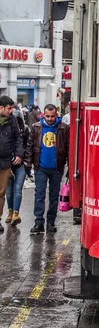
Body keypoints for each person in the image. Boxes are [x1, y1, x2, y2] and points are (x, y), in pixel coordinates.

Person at [25, 103, 69, 234]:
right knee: (39, 195)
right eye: (47, 116)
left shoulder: (64, 128)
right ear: (43, 115)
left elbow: (69, 148)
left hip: (57, 168)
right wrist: (28, 164)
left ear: (56, 115)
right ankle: (39, 222)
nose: (50, 119)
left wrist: (70, 167)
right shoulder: (36, 127)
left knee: (54, 196)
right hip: (41, 167)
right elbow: (30, 146)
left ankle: (51, 222)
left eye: (52, 116)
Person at [0, 96, 24, 232]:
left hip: (5, 162)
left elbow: (18, 139)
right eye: (9, 108)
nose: (11, 111)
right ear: (1, 108)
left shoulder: (12, 120)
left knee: (1, 192)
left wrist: (19, 154)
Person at [5, 105, 30, 226]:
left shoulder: (26, 130)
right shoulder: (6, 128)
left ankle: (15, 213)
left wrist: (23, 159)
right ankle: (10, 212)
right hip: (7, 164)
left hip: (21, 164)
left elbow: (28, 146)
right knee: (9, 191)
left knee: (17, 189)